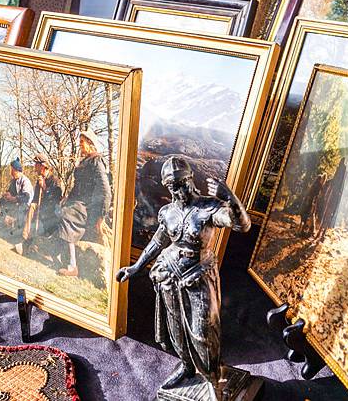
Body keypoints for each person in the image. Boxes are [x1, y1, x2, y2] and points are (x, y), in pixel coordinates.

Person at [116, 156, 251, 391]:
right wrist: (135, 267)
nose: (178, 190)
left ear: (190, 179)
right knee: (175, 328)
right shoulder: (167, 212)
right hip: (169, 274)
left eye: (181, 183)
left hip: (198, 275)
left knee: (203, 331)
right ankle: (187, 366)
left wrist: (230, 198)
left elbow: (242, 225)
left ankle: (212, 378)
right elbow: (158, 242)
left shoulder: (208, 207)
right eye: (172, 186)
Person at [56, 130, 111, 277]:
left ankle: (72, 266)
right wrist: (66, 199)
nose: (80, 145)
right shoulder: (84, 162)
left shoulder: (97, 161)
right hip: (78, 203)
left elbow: (105, 190)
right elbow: (77, 187)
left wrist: (101, 216)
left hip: (89, 206)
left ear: (90, 143)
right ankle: (55, 253)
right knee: (59, 210)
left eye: (82, 142)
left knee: (67, 215)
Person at [15, 153, 63, 254]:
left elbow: (55, 199)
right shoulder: (39, 179)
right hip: (40, 209)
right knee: (32, 206)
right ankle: (25, 239)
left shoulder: (54, 181)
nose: (34, 167)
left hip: (51, 212)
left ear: (42, 166)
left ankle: (28, 242)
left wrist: (44, 187)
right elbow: (35, 199)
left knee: (33, 207)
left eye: (36, 164)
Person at [0, 158, 34, 233]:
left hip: (26, 205)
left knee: (20, 207)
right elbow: (10, 191)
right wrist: (7, 194)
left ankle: (18, 227)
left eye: (12, 170)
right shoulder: (14, 181)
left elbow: (26, 198)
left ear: (16, 170)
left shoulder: (25, 181)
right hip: (17, 202)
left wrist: (13, 198)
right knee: (1, 201)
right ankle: (3, 221)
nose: (11, 173)